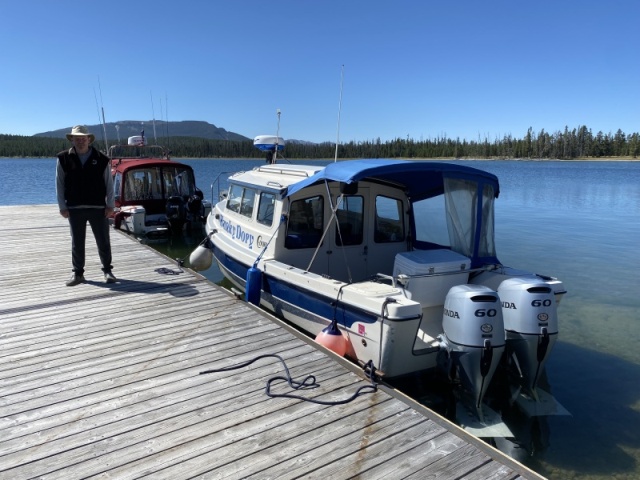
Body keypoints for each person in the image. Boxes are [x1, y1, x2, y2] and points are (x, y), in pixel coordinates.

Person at [56, 125, 117, 286]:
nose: (81, 141)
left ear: (89, 139)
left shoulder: (102, 158)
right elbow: (59, 184)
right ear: (72, 140)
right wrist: (62, 206)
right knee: (77, 242)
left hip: (98, 207)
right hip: (74, 208)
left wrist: (110, 205)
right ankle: (78, 274)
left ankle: (107, 271)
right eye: (77, 138)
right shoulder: (63, 158)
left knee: (103, 240)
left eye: (84, 138)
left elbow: (109, 185)